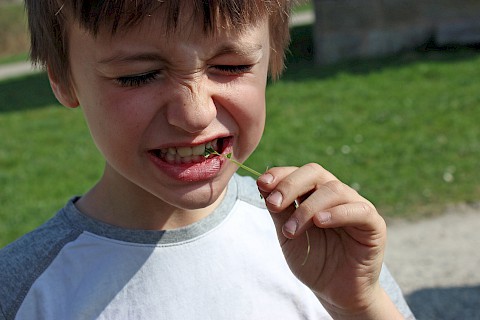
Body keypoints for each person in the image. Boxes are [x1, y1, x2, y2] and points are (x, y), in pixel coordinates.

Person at [0, 1, 415, 319]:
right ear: (61, 77)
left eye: (230, 65)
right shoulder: (22, 292)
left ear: (271, 56)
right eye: (138, 75)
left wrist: (359, 304)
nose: (195, 113)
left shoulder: (311, 241)